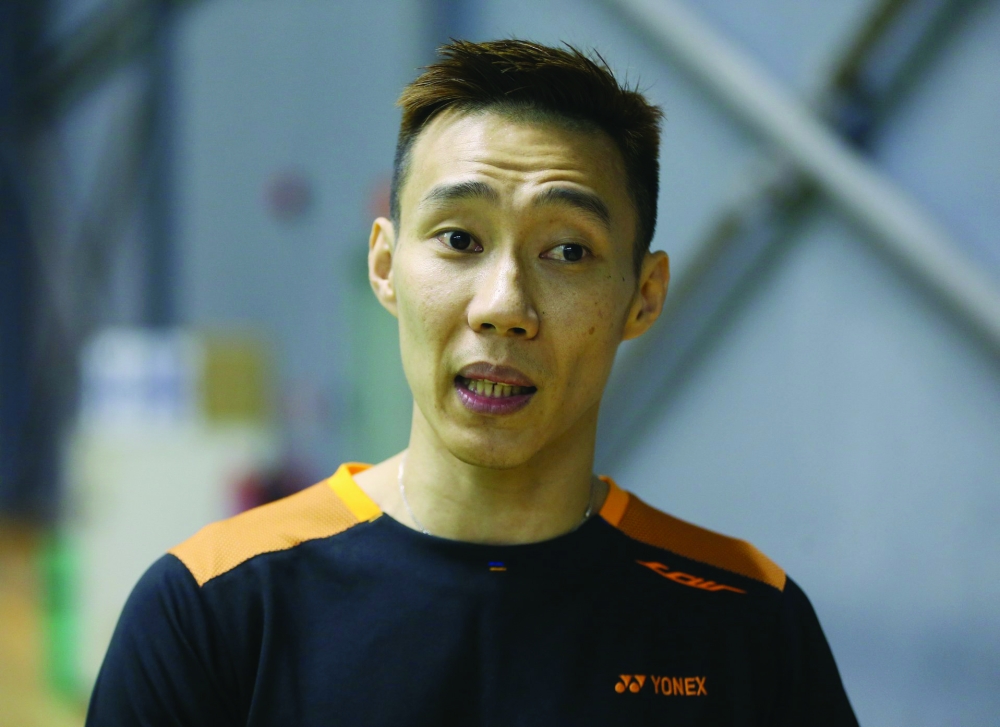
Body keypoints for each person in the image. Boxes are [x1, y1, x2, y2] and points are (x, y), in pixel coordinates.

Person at [86, 39, 858, 726]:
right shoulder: (210, 608)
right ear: (385, 266)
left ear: (644, 296)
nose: (503, 307)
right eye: (459, 239)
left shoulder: (747, 622)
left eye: (568, 252)